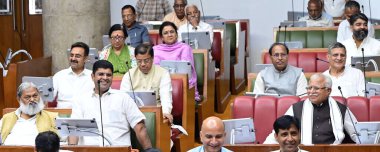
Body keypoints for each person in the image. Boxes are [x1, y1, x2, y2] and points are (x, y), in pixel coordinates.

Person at [69, 60, 157, 151]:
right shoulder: (81, 99)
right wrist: (70, 150)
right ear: (92, 76)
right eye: (101, 74)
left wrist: (149, 150)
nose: (105, 77)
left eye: (109, 75)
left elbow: (140, 126)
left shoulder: (123, 98)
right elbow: (74, 129)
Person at [264, 73, 358, 144]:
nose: (311, 92)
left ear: (328, 90)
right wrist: (264, 148)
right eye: (309, 88)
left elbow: (357, 134)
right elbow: (279, 131)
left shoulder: (341, 109)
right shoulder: (296, 108)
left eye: (316, 88)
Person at [120, 44, 173, 123]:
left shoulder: (163, 73)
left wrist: (166, 112)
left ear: (152, 58)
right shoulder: (129, 75)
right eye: (139, 61)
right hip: (133, 114)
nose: (143, 64)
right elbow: (123, 98)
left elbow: (166, 96)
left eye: (146, 60)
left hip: (156, 114)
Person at [153, 21, 201, 101]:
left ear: (176, 34)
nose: (169, 35)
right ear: (162, 37)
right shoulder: (155, 50)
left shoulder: (185, 48)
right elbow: (155, 72)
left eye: (172, 32)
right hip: (160, 85)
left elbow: (187, 71)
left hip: (181, 85)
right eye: (166, 33)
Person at [53, 42, 94, 108]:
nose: (73, 59)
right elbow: (48, 98)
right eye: (71, 55)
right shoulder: (59, 76)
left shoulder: (93, 77)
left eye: (77, 56)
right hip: (63, 115)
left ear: (86, 59)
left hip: (85, 116)